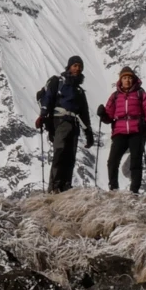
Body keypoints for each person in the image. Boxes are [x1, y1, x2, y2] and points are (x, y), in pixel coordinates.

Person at [37, 55, 94, 192]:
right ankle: (54, 187)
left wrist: (88, 133)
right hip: (60, 121)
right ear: (69, 67)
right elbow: (48, 98)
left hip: (73, 124)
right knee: (60, 152)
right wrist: (42, 116)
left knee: (70, 155)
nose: (77, 69)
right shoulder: (57, 81)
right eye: (75, 66)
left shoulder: (79, 91)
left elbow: (84, 114)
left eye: (80, 67)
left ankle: (65, 186)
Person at [98, 66, 146, 193]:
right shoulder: (115, 96)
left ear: (134, 79)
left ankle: (134, 191)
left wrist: (145, 124)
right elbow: (108, 117)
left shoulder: (141, 94)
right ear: (121, 80)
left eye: (130, 78)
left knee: (135, 162)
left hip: (137, 131)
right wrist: (103, 115)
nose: (127, 80)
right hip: (120, 132)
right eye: (125, 78)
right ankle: (113, 188)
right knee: (112, 161)